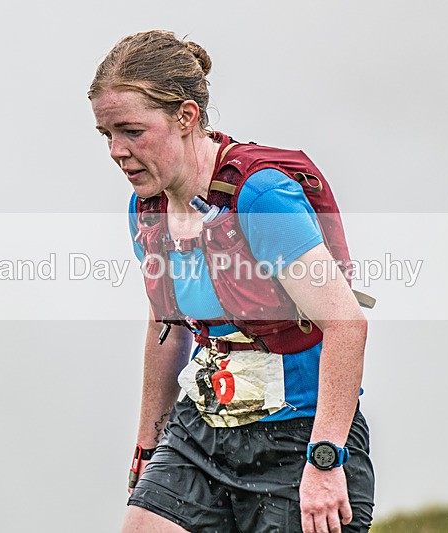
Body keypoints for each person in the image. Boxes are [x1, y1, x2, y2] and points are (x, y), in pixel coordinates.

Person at [89, 30, 374, 533]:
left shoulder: (259, 197)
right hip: (202, 430)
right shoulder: (146, 208)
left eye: (131, 131)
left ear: (185, 116)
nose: (116, 150)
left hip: (300, 436)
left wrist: (326, 461)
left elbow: (347, 323)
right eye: (105, 133)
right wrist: (147, 446)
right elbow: (168, 325)